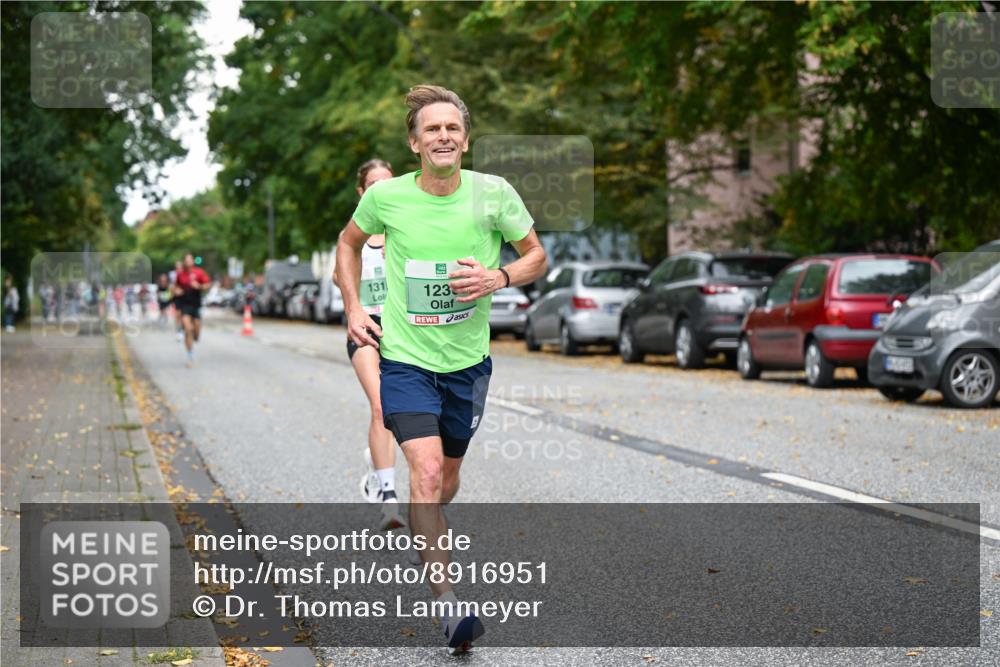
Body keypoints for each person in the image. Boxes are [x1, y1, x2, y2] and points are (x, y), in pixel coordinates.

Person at [335, 84, 547, 653]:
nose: (443, 136)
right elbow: (347, 244)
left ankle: (422, 512)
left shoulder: (493, 194)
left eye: (452, 128)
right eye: (432, 129)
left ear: (466, 139)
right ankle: (448, 604)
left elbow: (536, 255)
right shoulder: (387, 199)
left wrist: (497, 278)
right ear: (415, 143)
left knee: (444, 480)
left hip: (468, 366)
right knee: (425, 472)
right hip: (404, 359)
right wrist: (354, 306)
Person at [335, 159, 405, 531]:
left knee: (406, 414)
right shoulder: (354, 236)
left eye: (386, 183)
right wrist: (355, 308)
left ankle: (375, 469)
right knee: (382, 406)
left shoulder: (407, 231)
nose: (380, 189)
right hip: (365, 328)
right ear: (362, 193)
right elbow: (338, 276)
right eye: (372, 184)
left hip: (404, 329)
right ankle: (389, 499)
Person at [173, 254, 210, 366]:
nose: (188, 262)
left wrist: (199, 286)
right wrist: (177, 290)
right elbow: (175, 287)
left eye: (190, 260)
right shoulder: (180, 274)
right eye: (186, 260)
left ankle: (195, 335)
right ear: (184, 262)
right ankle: (190, 356)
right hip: (185, 305)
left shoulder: (199, 272)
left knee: (196, 335)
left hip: (196, 304)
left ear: (193, 261)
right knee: (188, 329)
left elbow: (207, 284)